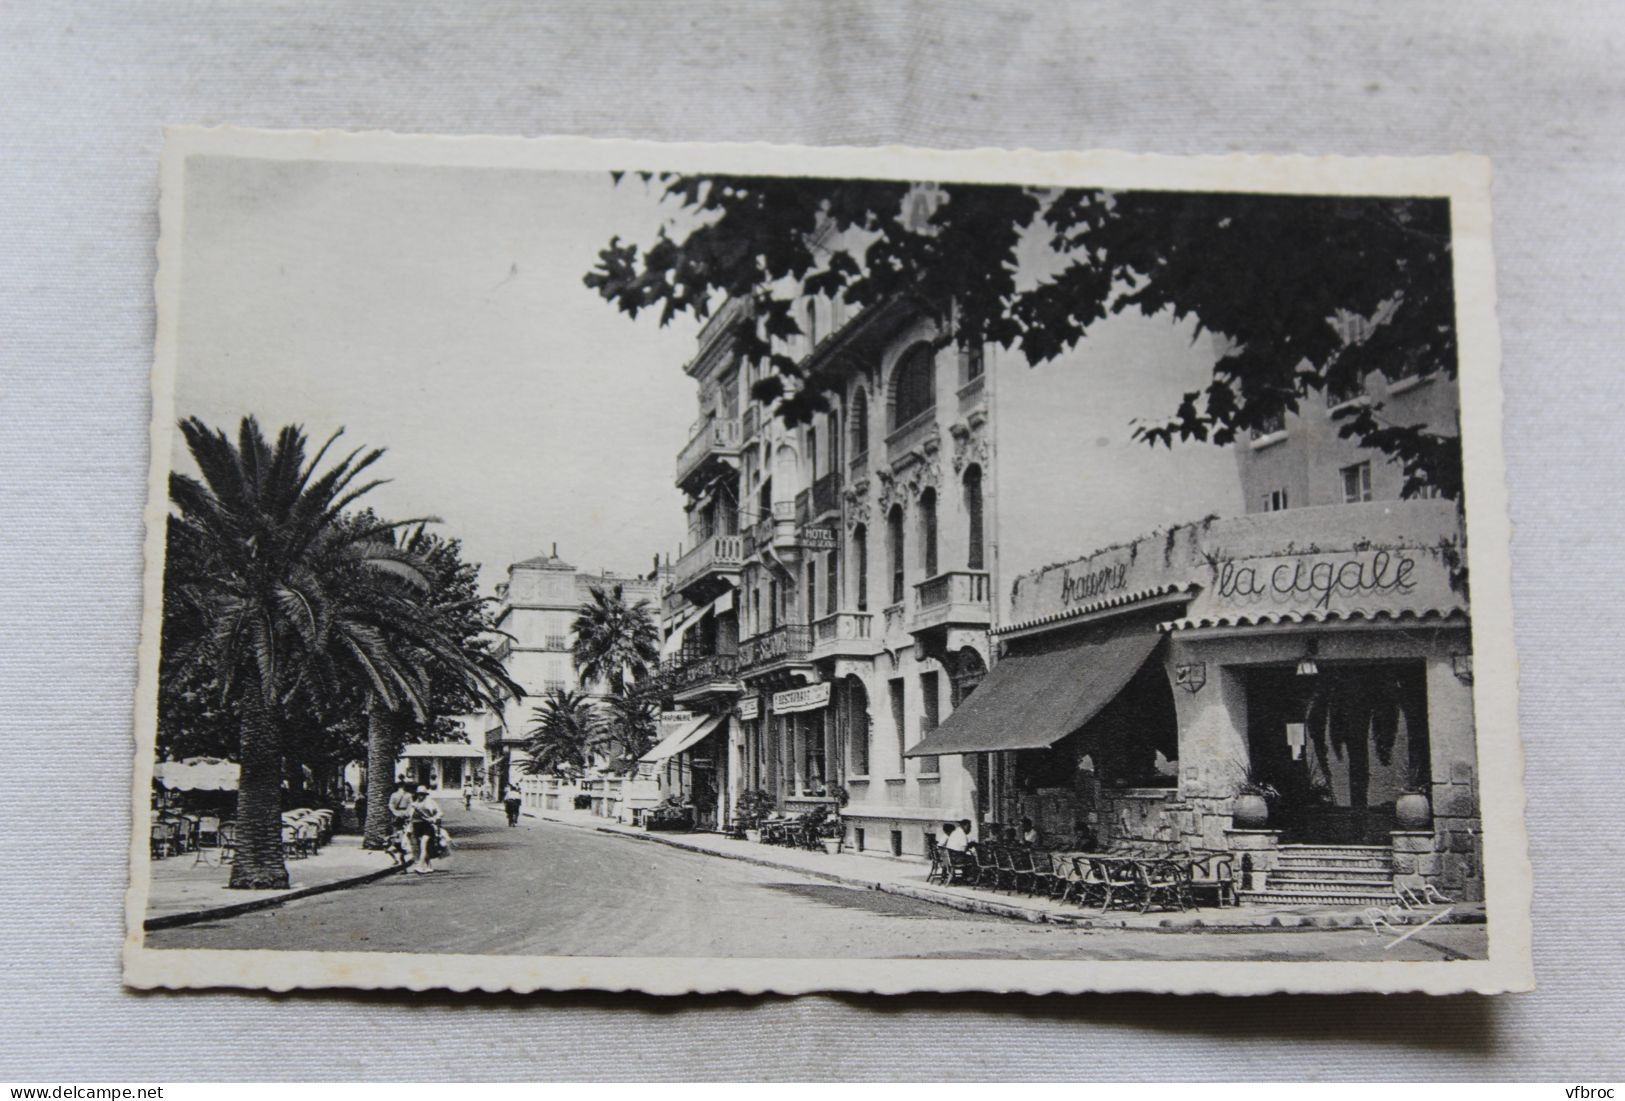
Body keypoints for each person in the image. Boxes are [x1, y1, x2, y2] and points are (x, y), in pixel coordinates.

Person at [408, 785, 443, 874]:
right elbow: (410, 816)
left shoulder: (430, 802)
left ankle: (420, 866)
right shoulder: (414, 804)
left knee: (423, 845)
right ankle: (429, 866)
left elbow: (440, 813)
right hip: (417, 826)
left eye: (423, 794)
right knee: (423, 847)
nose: (421, 796)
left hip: (427, 826)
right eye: (419, 794)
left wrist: (434, 818)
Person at [387, 779, 415, 864]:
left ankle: (400, 852)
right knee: (401, 832)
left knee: (400, 833)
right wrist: (405, 813)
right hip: (402, 815)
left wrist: (396, 813)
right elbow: (411, 805)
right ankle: (402, 851)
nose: (402, 787)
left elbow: (391, 805)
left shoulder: (395, 795)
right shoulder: (407, 795)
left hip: (398, 815)